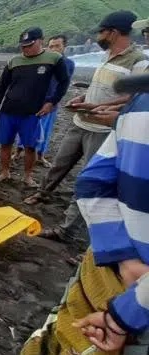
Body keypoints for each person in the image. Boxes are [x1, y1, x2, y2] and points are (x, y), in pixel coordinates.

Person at [24, 11, 149, 246]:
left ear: (113, 32)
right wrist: (82, 98)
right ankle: (42, 193)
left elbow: (135, 97)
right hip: (81, 121)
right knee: (60, 163)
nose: (99, 36)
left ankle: (67, 229)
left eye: (102, 32)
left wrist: (99, 105)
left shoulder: (138, 61)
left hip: (102, 130)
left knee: (87, 178)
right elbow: (97, 87)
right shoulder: (107, 56)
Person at [0, 27, 71, 187]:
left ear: (40, 41)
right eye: (23, 46)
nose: (25, 49)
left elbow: (64, 82)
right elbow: (2, 86)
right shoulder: (14, 61)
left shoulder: (53, 59)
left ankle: (27, 176)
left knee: (30, 147)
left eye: (29, 45)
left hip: (33, 112)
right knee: (5, 144)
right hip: (8, 110)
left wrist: (51, 102)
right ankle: (5, 172)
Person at [14, 35, 76, 167]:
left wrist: (54, 101)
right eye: (51, 46)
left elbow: (64, 84)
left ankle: (41, 155)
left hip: (51, 103)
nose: (53, 49)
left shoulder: (68, 64)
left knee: (46, 130)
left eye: (57, 46)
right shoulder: (43, 61)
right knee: (26, 127)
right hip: (33, 101)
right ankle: (18, 151)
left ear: (64, 47)